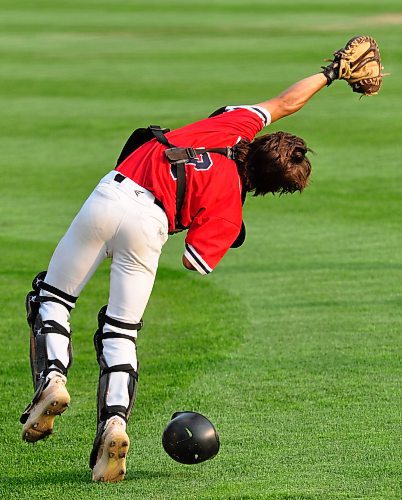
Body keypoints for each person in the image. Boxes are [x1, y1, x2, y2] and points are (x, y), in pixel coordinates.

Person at [20, 66, 336, 482]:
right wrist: (223, 220)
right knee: (120, 331)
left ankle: (54, 378)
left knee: (53, 298)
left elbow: (286, 103)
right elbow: (194, 261)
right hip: (150, 228)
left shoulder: (233, 124)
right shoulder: (230, 209)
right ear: (270, 187)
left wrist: (331, 73)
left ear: (261, 143)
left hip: (114, 191)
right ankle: (114, 426)